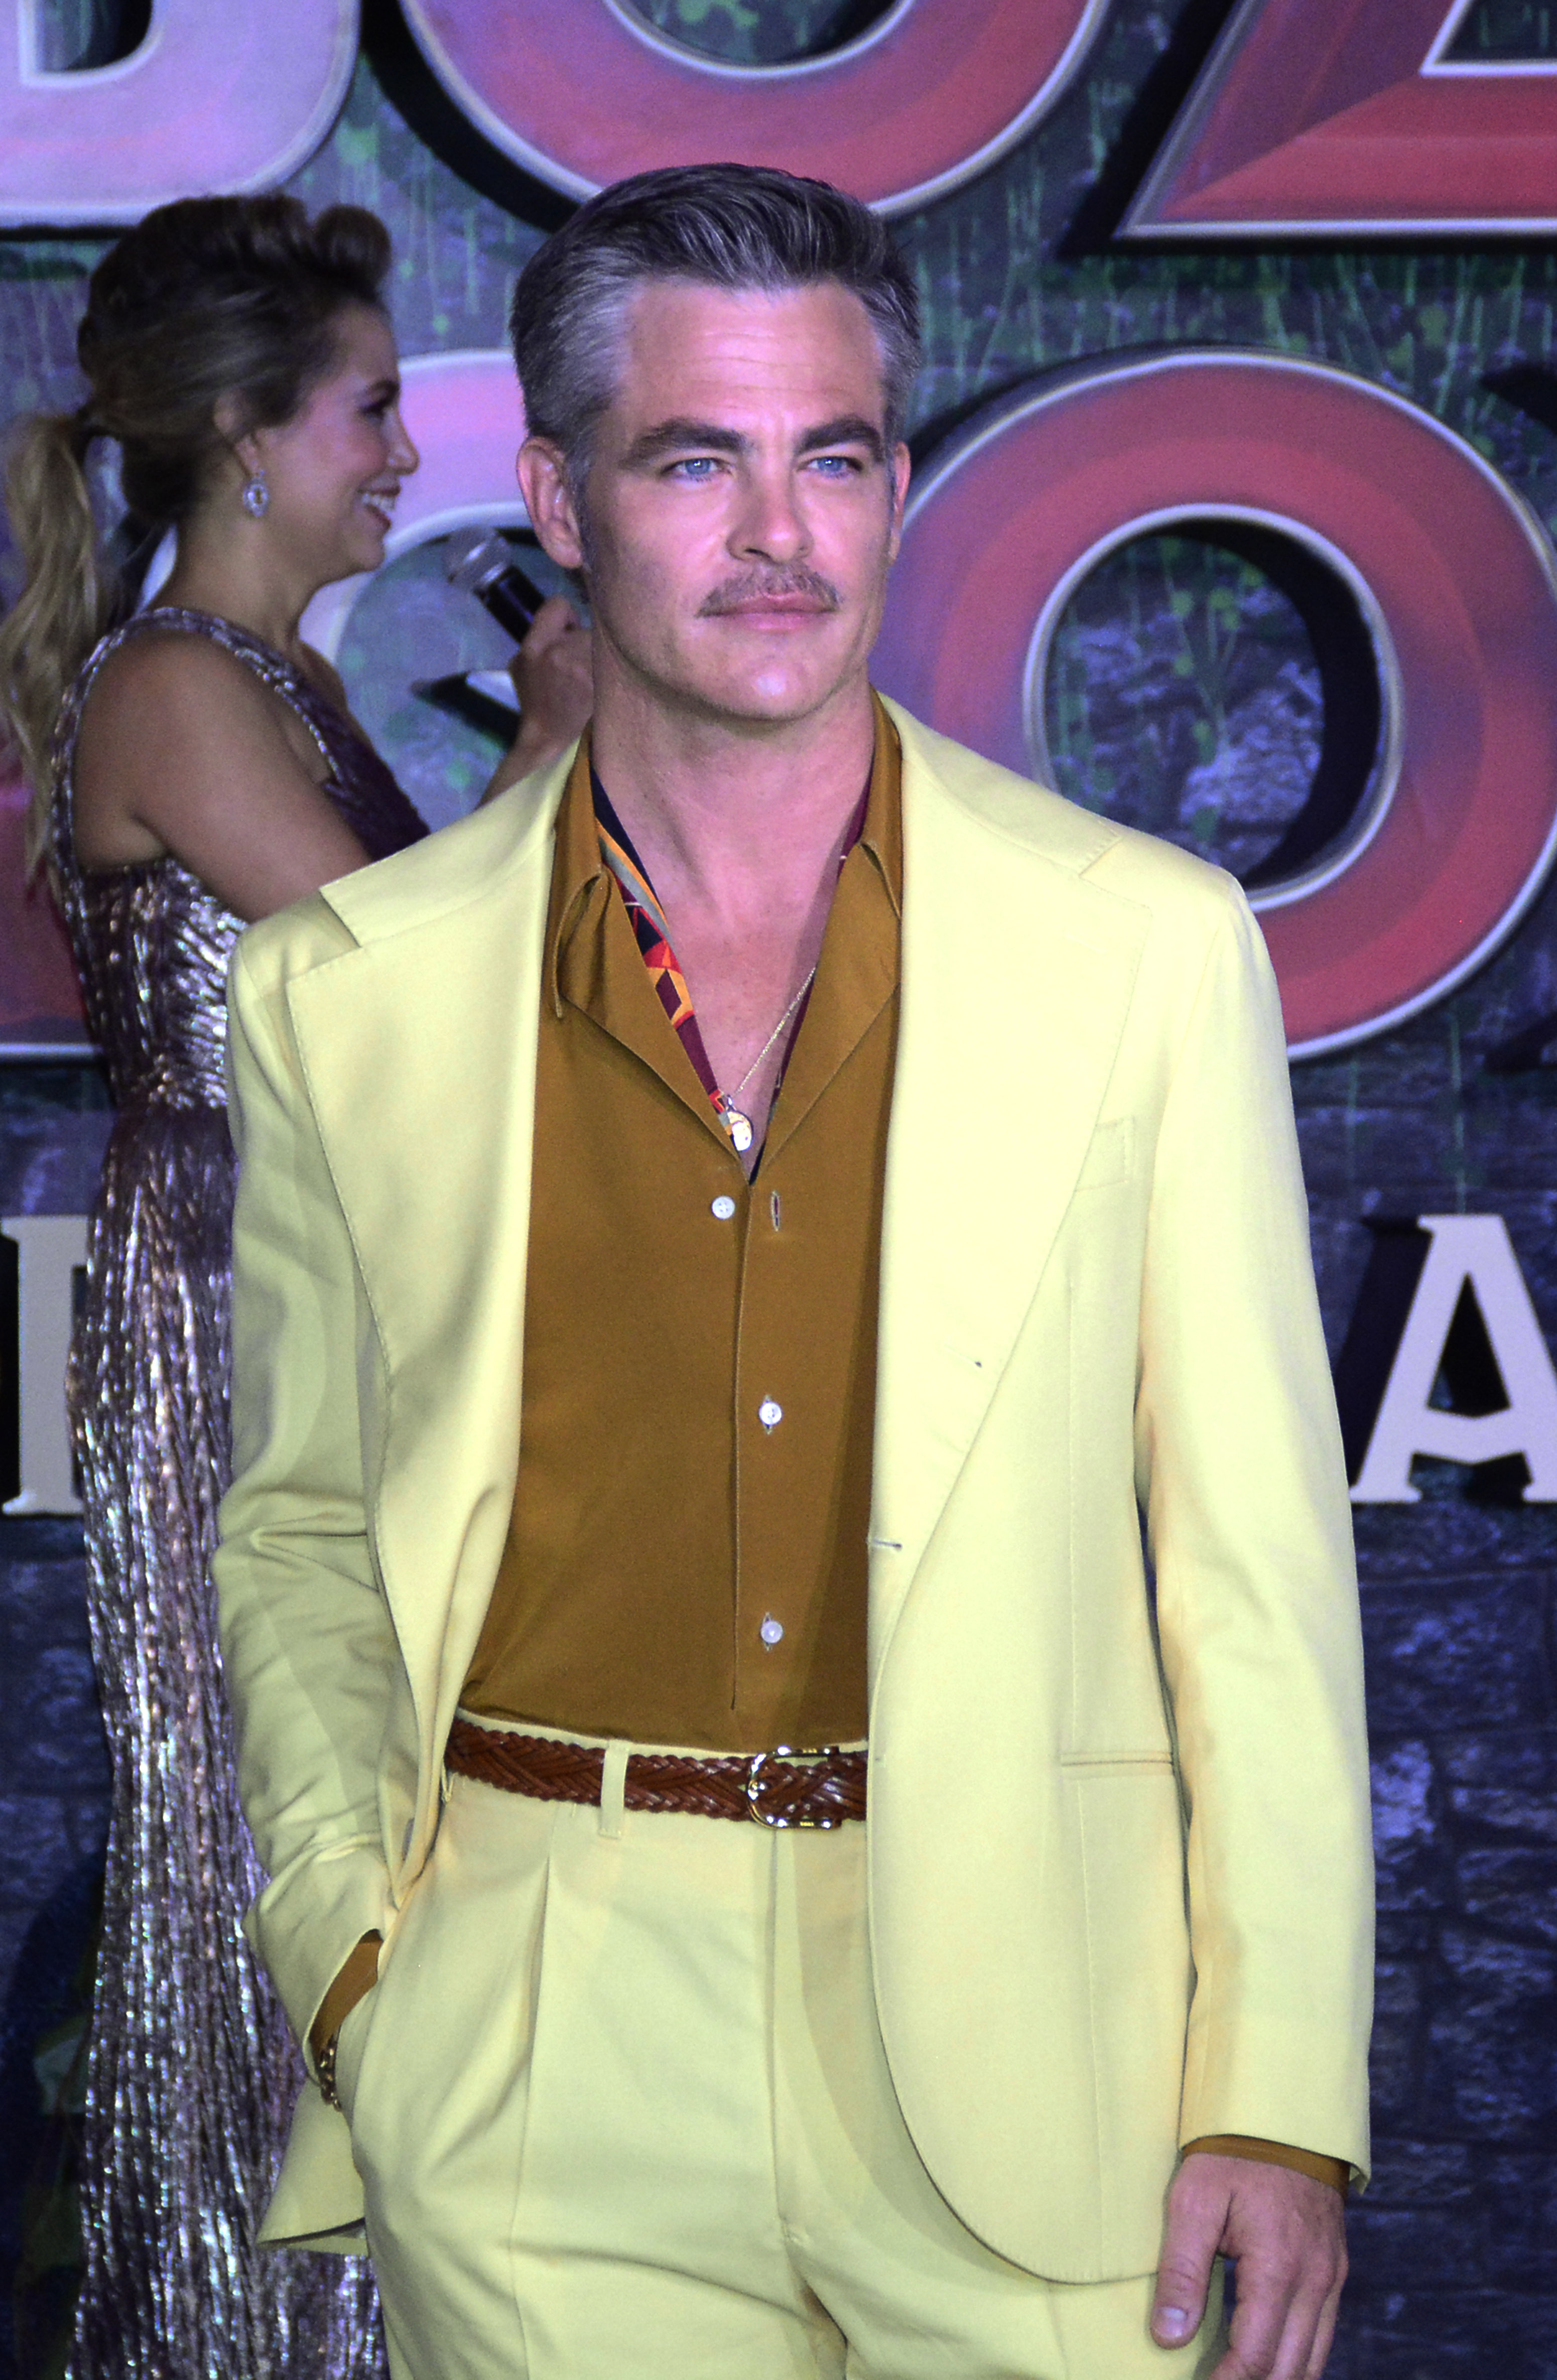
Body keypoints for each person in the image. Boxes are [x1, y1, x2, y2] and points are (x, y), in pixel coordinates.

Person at [213, 165, 1373, 2380]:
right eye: (693, 462)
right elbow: (296, 1528)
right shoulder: (348, 988)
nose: (778, 534)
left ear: (896, 487)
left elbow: (1253, 1566)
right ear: (559, 500)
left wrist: (1273, 2087)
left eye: (830, 458)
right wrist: (360, 1966)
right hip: (538, 2035)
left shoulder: (1142, 948)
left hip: (1043, 2023)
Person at [0, 191, 589, 2379]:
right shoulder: (173, 684)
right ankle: (249, 2338)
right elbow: (398, 989)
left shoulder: (283, 681)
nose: (406, 455)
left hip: (343, 1290)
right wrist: (545, 745)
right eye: (369, 410)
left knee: (372, 1823)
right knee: (273, 1825)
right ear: (249, 439)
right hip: (236, 1315)